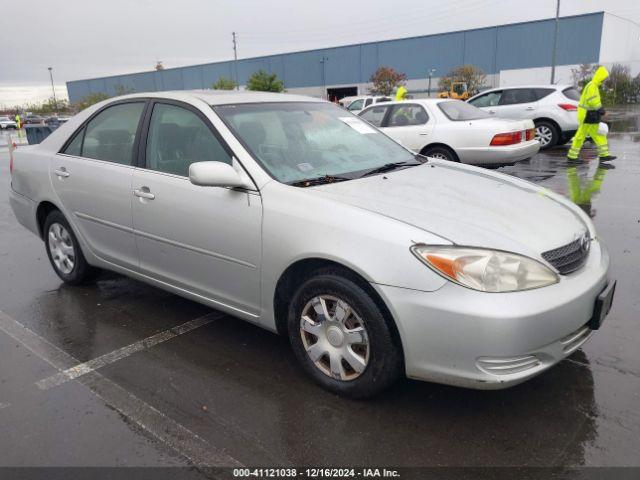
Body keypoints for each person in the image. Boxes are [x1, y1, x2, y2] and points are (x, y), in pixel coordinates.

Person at [567, 66, 616, 162]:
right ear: (600, 77)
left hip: (591, 115)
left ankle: (604, 155)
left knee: (596, 135)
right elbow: (593, 102)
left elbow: (594, 102)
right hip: (588, 116)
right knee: (582, 136)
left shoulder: (593, 86)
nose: (604, 80)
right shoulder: (592, 86)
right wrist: (603, 111)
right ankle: (572, 157)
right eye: (604, 78)